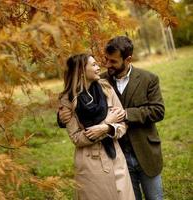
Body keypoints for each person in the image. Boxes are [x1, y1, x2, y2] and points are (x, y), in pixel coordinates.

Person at [58, 36, 165, 200]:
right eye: (105, 60)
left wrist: (125, 114)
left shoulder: (148, 78)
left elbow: (158, 110)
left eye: (113, 61)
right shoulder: (101, 81)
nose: (107, 65)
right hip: (116, 153)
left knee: (155, 197)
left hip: (145, 151)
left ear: (127, 59)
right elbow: (75, 96)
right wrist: (61, 116)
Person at [59, 53, 135, 200]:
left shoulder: (106, 88)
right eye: (93, 65)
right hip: (90, 163)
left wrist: (108, 128)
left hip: (115, 157)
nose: (98, 67)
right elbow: (76, 138)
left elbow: (122, 124)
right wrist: (105, 123)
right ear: (81, 71)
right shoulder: (67, 100)